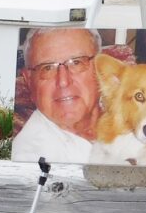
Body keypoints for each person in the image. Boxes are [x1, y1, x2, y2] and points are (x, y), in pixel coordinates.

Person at [10, 27, 102, 165]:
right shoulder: (28, 159)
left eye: (76, 62)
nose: (63, 81)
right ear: (29, 80)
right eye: (47, 68)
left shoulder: (132, 107)